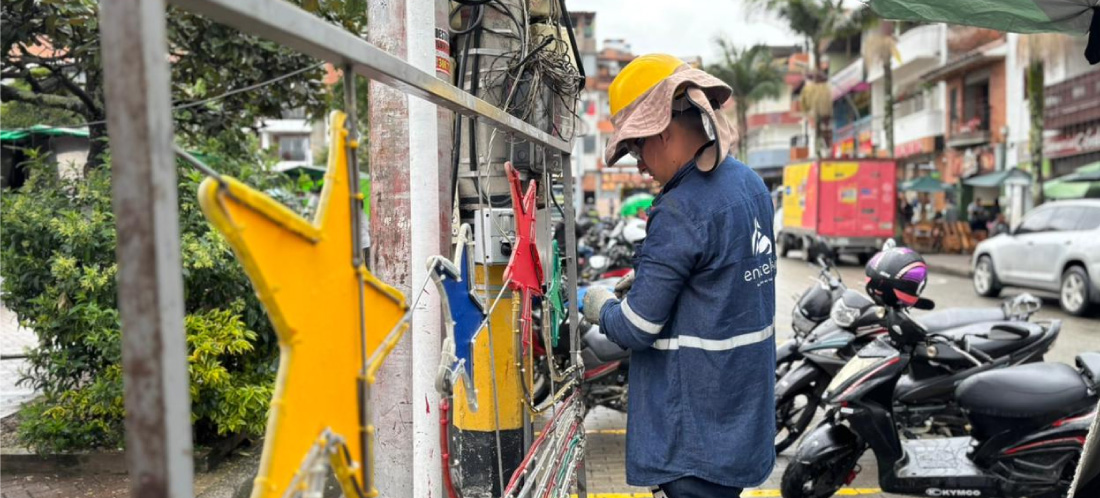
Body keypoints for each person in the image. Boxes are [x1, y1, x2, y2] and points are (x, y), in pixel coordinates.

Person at [581, 54, 775, 498]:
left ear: (662, 130)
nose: (641, 167)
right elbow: (717, 286)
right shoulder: (749, 184)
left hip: (694, 435)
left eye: (636, 149)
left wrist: (598, 303)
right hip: (740, 418)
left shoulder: (681, 207)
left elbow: (636, 328)